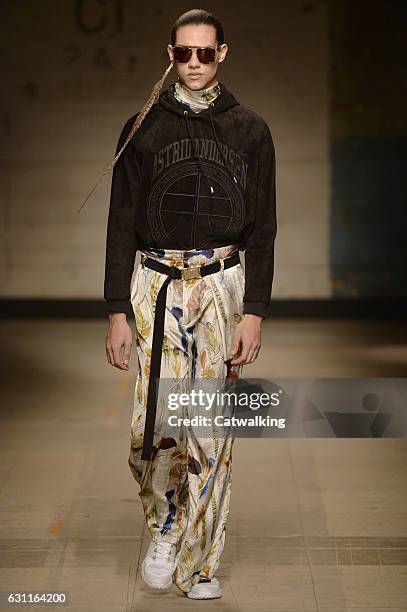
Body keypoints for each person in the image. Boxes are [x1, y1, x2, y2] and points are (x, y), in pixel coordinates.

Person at [102, 8, 277, 600]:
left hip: (224, 286)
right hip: (154, 288)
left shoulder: (251, 130)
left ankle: (201, 563)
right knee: (151, 427)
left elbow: (265, 230)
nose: (195, 64)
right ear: (170, 54)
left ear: (223, 53)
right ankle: (165, 526)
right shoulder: (141, 127)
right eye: (184, 53)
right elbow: (119, 225)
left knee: (210, 427)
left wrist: (254, 311)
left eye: (205, 53)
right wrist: (115, 312)